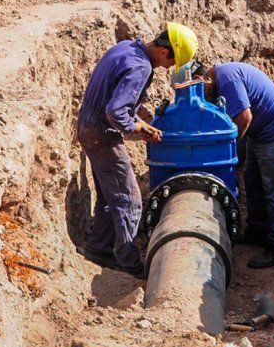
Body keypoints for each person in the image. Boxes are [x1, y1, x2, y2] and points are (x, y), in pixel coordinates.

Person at [77, 22, 198, 278]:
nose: (167, 69)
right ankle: (129, 265)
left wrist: (141, 120)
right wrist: (137, 129)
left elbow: (114, 98)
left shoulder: (126, 48)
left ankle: (100, 249)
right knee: (129, 200)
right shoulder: (141, 66)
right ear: (165, 52)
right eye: (170, 63)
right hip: (102, 133)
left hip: (88, 126)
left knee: (110, 196)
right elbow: (115, 111)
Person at [201, 62, 274, 269]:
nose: (204, 96)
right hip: (262, 133)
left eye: (202, 90)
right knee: (252, 180)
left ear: (206, 78)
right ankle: (258, 231)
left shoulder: (227, 79)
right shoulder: (222, 77)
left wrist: (229, 147)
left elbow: (244, 117)